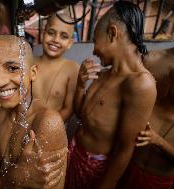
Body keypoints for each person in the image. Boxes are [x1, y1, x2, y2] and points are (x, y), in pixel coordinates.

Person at [66, 1, 157, 189]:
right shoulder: (104, 73)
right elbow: (81, 114)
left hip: (95, 170)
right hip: (74, 152)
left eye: (95, 39)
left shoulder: (140, 83)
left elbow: (124, 149)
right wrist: (81, 85)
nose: (93, 49)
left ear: (112, 33)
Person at [0, 35, 67, 188]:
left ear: (33, 73)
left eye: (13, 68)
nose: (0, 81)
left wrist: (4, 180)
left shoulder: (47, 122)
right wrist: (16, 175)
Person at [118, 47, 174, 189]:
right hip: (128, 169)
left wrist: (158, 141)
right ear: (171, 79)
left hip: (159, 180)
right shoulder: (150, 102)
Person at [33, 13, 79, 122]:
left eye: (64, 36)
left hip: (53, 130)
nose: (56, 40)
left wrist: (45, 128)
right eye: (51, 33)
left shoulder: (72, 69)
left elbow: (69, 109)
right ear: (43, 34)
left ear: (70, 43)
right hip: (24, 129)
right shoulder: (29, 62)